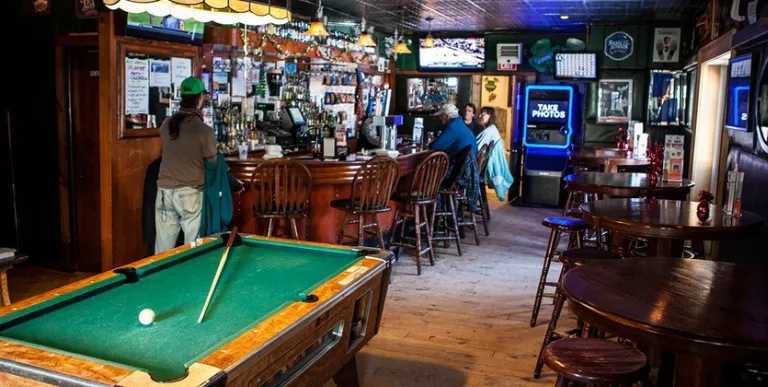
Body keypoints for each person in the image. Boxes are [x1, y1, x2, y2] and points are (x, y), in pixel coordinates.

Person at [155, 76, 216, 254]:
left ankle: (158, 282)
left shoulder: (167, 124)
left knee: (162, 252)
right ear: (200, 98)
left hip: (164, 193)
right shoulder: (204, 130)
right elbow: (213, 163)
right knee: (192, 252)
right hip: (189, 194)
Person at [476, 107, 514, 201]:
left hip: (477, 168)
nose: (480, 116)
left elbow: (475, 148)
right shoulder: (492, 130)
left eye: (483, 114)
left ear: (490, 116)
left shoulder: (490, 131)